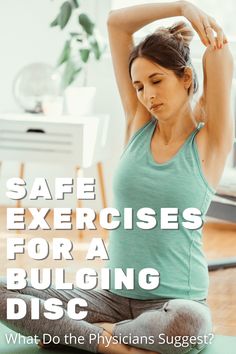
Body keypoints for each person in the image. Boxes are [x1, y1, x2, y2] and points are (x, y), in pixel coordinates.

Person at [0, 1, 234, 354]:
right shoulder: (137, 125)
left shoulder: (209, 143)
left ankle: (86, 335)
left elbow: (219, 57)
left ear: (185, 78)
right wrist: (182, 6)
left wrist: (201, 25)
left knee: (191, 324)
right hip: (109, 297)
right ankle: (112, 342)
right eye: (139, 86)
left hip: (173, 302)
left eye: (157, 80)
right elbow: (116, 24)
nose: (148, 95)